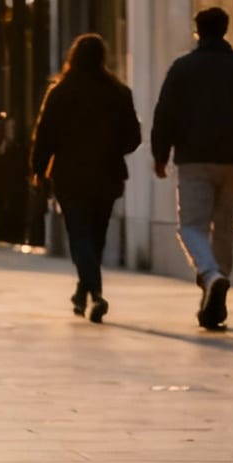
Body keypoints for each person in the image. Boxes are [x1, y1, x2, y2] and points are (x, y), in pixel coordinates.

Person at [150, 6, 233, 332]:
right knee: (225, 228)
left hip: (194, 158)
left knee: (191, 226)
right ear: (225, 29)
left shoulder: (183, 69)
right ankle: (216, 300)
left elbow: (165, 113)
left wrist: (160, 154)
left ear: (198, 32)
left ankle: (211, 276)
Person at [30, 34, 142, 323]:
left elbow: (45, 134)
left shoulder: (60, 92)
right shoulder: (118, 92)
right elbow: (133, 138)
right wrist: (111, 148)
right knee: (96, 236)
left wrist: (38, 168)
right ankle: (86, 292)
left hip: (70, 175)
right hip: (106, 174)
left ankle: (94, 293)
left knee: (79, 234)